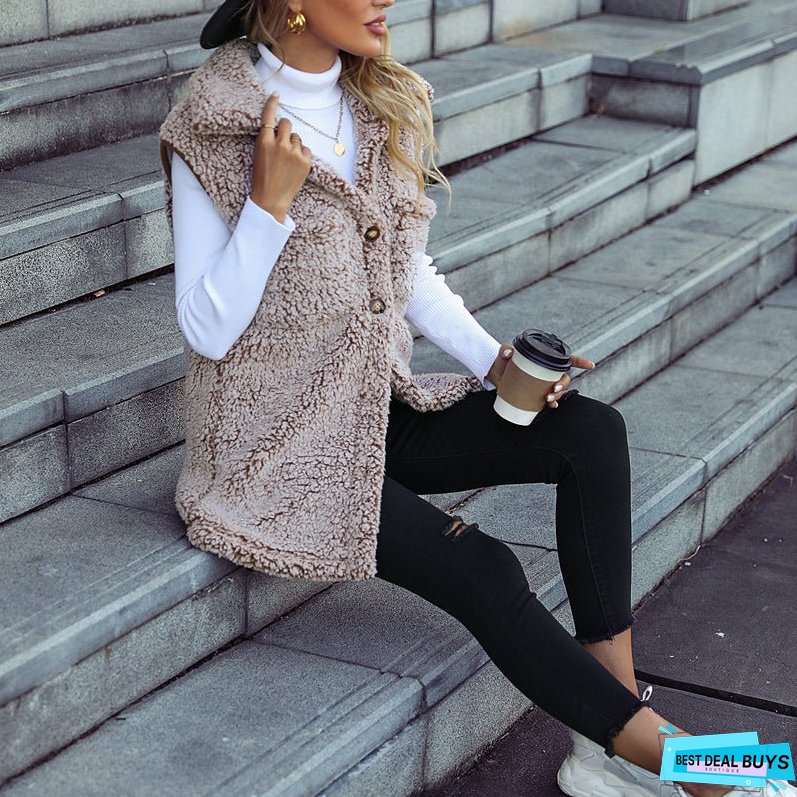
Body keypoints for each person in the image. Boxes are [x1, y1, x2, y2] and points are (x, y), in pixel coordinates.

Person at [157, 2, 796, 795]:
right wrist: (267, 207)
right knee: (484, 566)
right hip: (276, 452)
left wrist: (496, 362)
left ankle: (607, 740)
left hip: (369, 409)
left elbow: (409, 272)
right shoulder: (214, 125)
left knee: (589, 433)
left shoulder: (370, 103)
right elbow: (205, 328)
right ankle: (703, 770)